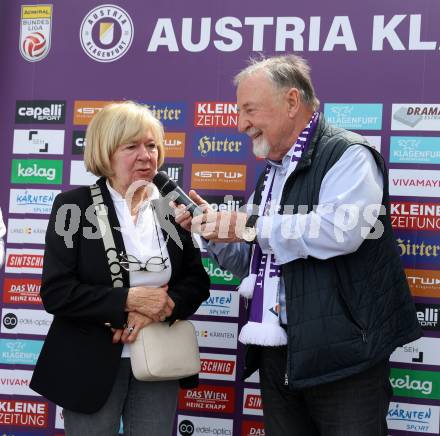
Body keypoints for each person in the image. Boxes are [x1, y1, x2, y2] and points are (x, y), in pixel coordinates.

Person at [175, 55, 421, 436]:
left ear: (292, 102)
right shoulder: (271, 175)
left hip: (345, 358)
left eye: (249, 110)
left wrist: (248, 225)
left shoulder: (349, 154)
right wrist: (214, 231)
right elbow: (249, 261)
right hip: (280, 357)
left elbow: (340, 231)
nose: (241, 124)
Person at [30, 101, 210, 436]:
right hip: (89, 362)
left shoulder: (171, 208)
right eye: (132, 147)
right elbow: (57, 293)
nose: (146, 156)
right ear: (106, 153)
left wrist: (158, 309)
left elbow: (196, 282)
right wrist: (129, 302)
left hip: (159, 358)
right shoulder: (74, 206)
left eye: (152, 145)